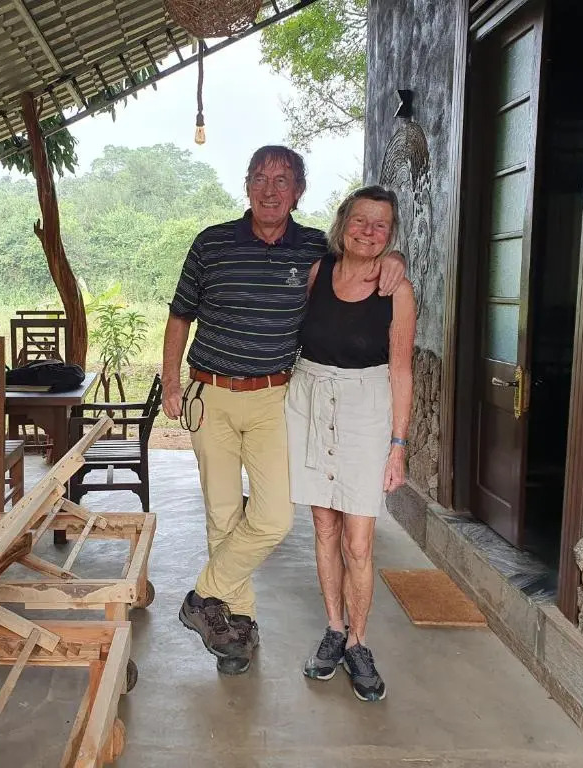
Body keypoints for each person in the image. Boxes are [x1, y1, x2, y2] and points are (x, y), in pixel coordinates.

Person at [162, 146, 406, 675]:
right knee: (223, 516)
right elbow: (180, 315)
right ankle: (236, 629)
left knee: (273, 517)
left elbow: (364, 255)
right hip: (210, 394)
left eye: (282, 180)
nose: (269, 190)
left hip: (276, 398)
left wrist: (396, 259)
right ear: (246, 184)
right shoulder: (211, 243)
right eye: (260, 178)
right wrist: (172, 382)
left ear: (298, 191)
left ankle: (202, 596)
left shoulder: (315, 248)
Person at [286, 185, 415, 701]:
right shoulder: (318, 272)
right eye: (360, 220)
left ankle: (359, 643)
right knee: (324, 527)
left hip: (367, 409)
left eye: (381, 225)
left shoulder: (397, 289)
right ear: (343, 223)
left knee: (358, 541)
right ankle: (334, 628)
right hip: (311, 401)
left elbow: (401, 371)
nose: (368, 231)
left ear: (391, 234)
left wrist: (398, 444)